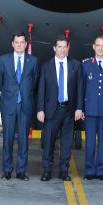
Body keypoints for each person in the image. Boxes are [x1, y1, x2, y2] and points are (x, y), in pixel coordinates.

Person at [37, 36, 84, 181]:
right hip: (51, 110)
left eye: (65, 47)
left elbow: (80, 89)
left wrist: (79, 108)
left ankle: (64, 171)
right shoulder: (46, 66)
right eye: (60, 47)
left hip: (69, 110)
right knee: (48, 142)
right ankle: (47, 171)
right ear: (54, 48)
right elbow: (41, 89)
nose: (63, 50)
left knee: (67, 143)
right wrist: (40, 109)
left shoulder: (76, 65)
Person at [0, 31, 37, 180]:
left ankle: (21, 171)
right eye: (16, 42)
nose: (19, 45)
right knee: (8, 139)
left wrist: (23, 93)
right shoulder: (3, 60)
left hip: (25, 104)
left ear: (26, 44)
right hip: (8, 104)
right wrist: (10, 93)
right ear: (12, 44)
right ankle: (7, 170)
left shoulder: (33, 61)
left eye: (22, 42)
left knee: (24, 140)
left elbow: (34, 82)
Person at [80, 36, 103, 181]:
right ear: (93, 47)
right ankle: (90, 170)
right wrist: (81, 108)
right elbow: (82, 89)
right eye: (98, 45)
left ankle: (101, 170)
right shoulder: (86, 65)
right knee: (90, 143)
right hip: (89, 110)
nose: (100, 48)